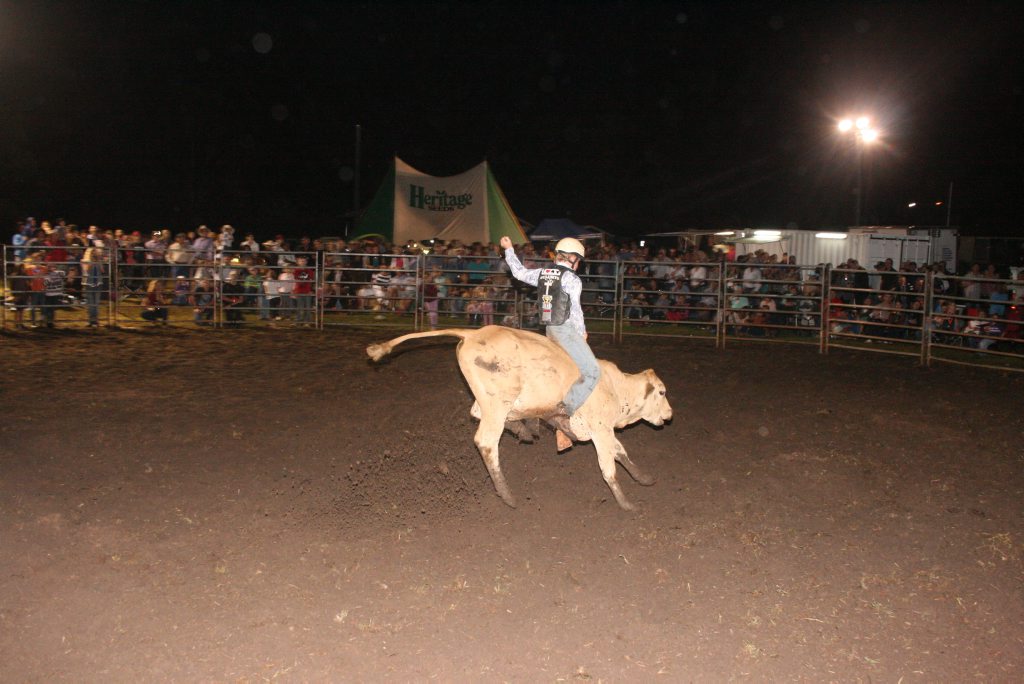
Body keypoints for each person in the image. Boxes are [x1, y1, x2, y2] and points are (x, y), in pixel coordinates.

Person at [499, 235, 599, 449]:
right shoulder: (572, 279)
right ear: (573, 259)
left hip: (549, 330)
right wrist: (582, 333)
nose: (578, 264)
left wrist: (509, 249)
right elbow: (576, 310)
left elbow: (518, 273)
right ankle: (564, 416)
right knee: (592, 372)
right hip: (566, 330)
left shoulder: (544, 273)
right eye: (578, 260)